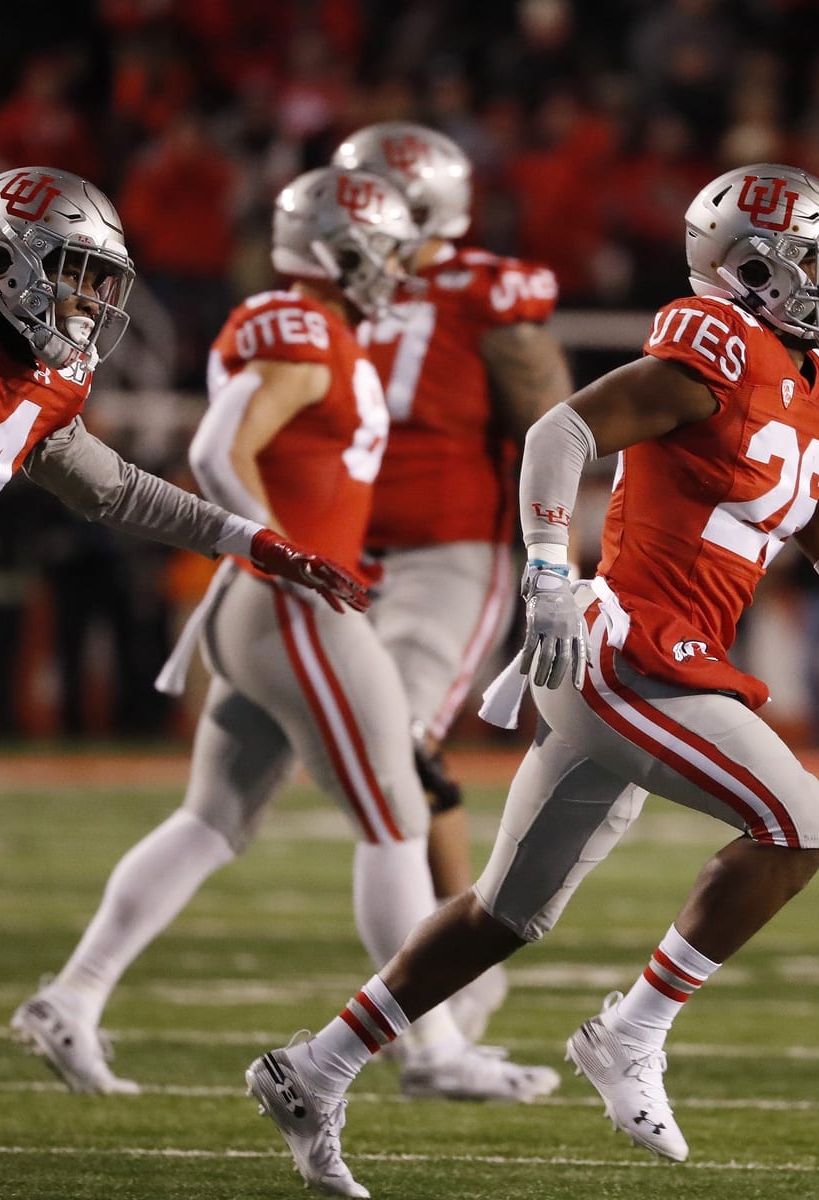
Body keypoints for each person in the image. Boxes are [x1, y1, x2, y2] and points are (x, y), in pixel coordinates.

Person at [240, 162, 819, 1198]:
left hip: (658, 663)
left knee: (505, 914)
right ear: (751, 271)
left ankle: (315, 1068)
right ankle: (632, 1031)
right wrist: (546, 573)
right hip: (620, 652)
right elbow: (559, 431)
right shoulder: (714, 348)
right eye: (818, 261)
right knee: (800, 824)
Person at [11, 166, 560, 1105]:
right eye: (382, 251)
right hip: (292, 603)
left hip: (261, 605)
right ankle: (429, 1049)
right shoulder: (304, 328)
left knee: (211, 820)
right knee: (393, 822)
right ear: (342, 250)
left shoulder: (316, 327)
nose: (394, 269)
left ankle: (73, 996)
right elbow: (217, 447)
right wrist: (273, 547)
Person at [0, 165, 368, 1045]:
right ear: (2, 256)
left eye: (100, 281)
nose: (90, 300)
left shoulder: (46, 384)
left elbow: (117, 491)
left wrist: (255, 539)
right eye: (75, 273)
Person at [331, 121, 573, 1039]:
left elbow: (555, 431)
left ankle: (453, 982)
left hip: (447, 550)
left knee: (395, 749)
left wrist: (562, 565)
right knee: (329, 766)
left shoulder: (483, 291)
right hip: (344, 557)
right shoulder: (337, 293)